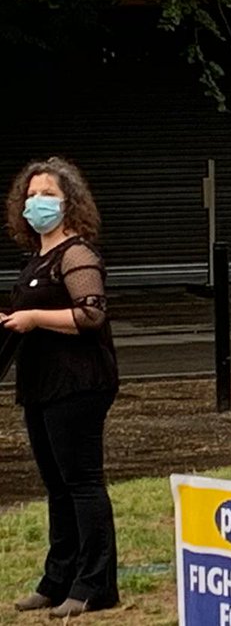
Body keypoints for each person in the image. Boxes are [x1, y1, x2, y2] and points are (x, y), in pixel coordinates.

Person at [3, 158, 119, 618]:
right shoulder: (36, 258)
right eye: (31, 195)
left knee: (82, 483)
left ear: (69, 201)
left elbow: (91, 314)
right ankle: (58, 578)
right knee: (56, 486)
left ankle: (95, 584)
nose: (37, 202)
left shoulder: (77, 254)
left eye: (47, 194)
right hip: (41, 383)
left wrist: (34, 319)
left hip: (78, 383)